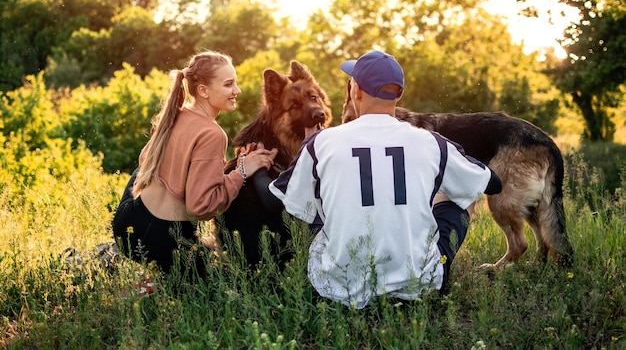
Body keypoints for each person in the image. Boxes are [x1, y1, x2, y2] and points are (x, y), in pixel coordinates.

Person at [269, 50, 502, 308]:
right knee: (457, 193)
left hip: (338, 287)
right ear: (399, 94)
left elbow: (287, 198)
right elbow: (491, 183)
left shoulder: (321, 143)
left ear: (355, 90)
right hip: (418, 284)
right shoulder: (431, 142)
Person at [112, 50, 277, 275]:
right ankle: (154, 286)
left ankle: (160, 278)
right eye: (228, 85)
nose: (236, 91)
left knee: (145, 169)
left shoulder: (175, 114)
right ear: (203, 91)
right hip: (163, 238)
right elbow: (200, 206)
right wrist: (242, 172)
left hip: (128, 219)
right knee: (225, 284)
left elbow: (148, 160)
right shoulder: (213, 133)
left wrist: (237, 163)